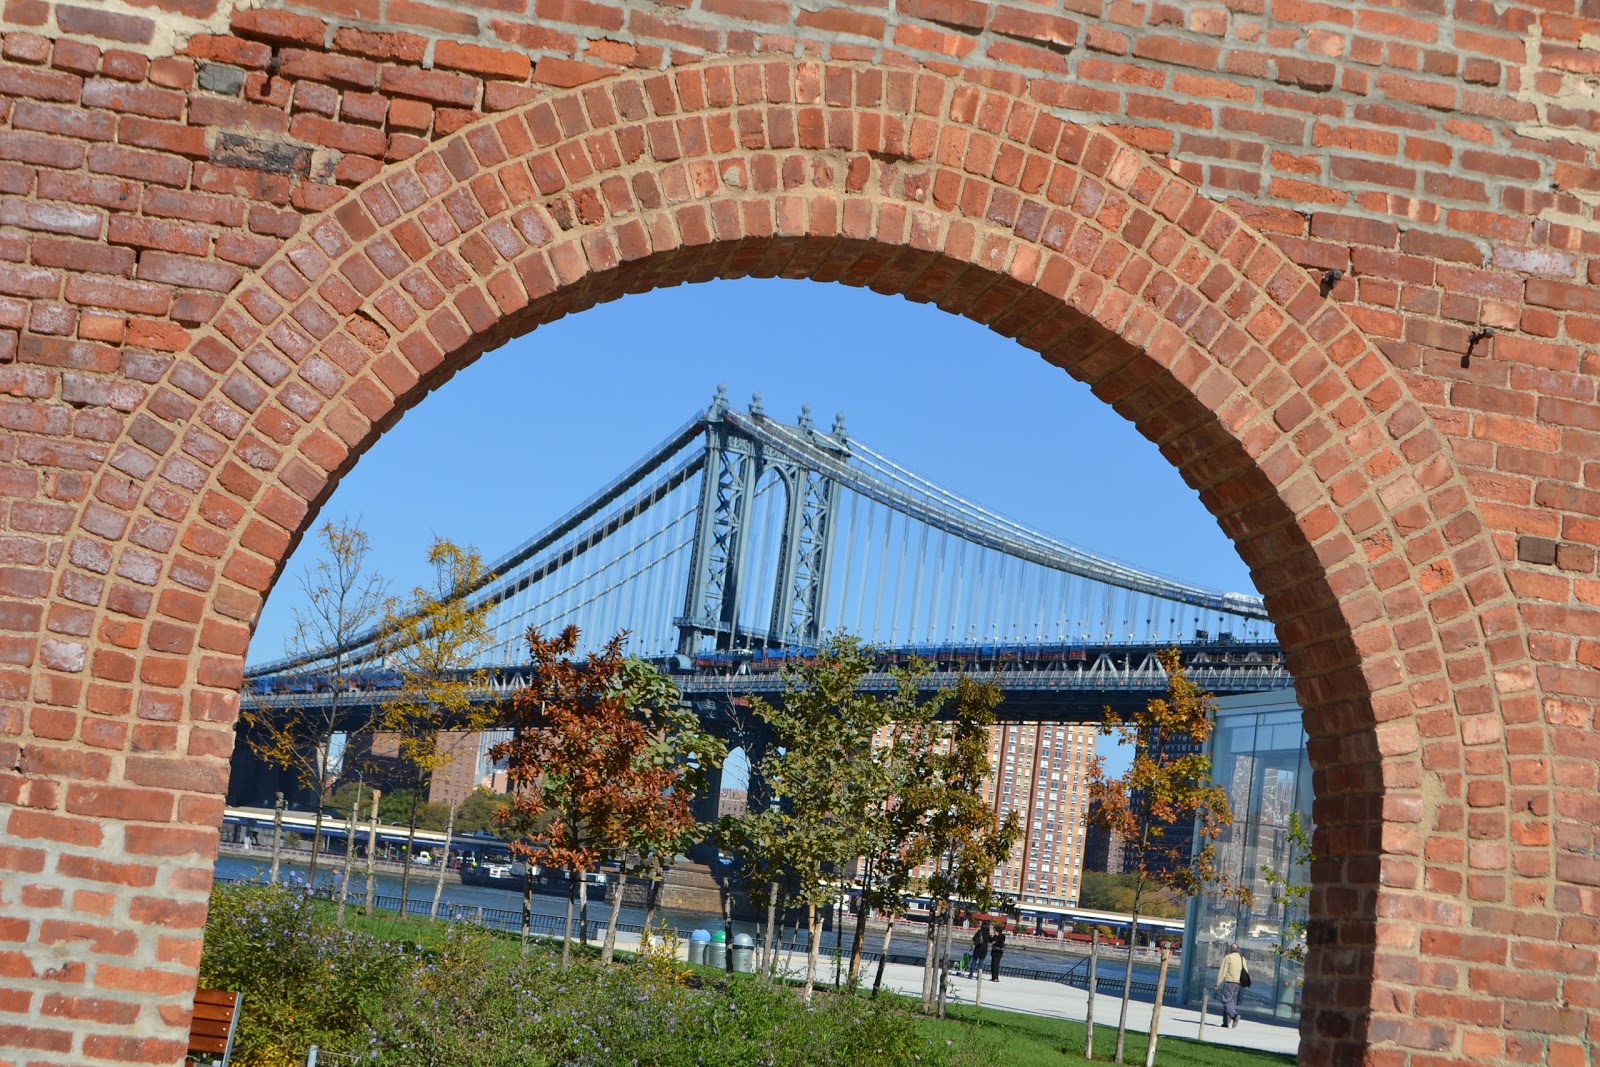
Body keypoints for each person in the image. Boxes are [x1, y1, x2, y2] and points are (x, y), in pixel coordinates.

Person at [1215, 943, 1245, 1027]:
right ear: (1238, 949)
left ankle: (1234, 1016)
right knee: (1232, 1003)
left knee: (1226, 1001)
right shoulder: (1242, 959)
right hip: (1238, 984)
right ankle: (1226, 1022)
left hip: (1229, 982)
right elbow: (1245, 972)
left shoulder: (1228, 957)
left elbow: (1223, 971)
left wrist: (1217, 983)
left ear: (1230, 949)